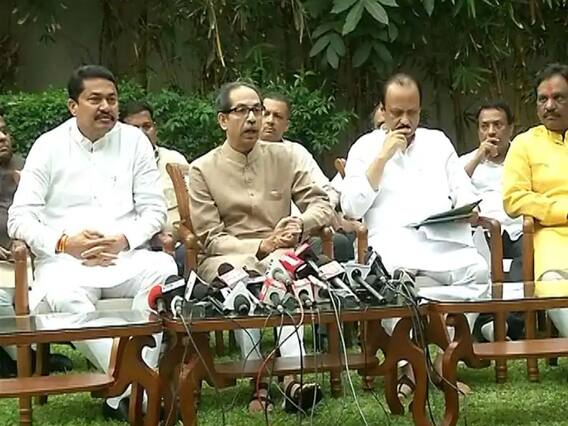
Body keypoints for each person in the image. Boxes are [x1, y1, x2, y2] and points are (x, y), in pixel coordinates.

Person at [8, 65, 177, 421]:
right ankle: (138, 390)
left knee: (164, 271)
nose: (106, 107)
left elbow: (154, 210)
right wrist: (64, 243)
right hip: (67, 262)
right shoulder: (48, 146)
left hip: (125, 257)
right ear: (73, 106)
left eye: (112, 100)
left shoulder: (135, 142)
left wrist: (123, 239)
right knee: (61, 297)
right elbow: (19, 218)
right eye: (95, 99)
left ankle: (126, 392)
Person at [188, 81, 333, 413]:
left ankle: (293, 378)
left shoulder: (285, 156)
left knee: (284, 272)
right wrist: (261, 246)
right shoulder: (202, 169)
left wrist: (300, 223)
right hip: (227, 257)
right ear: (223, 120)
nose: (253, 118)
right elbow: (210, 237)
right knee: (243, 279)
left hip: (281, 254)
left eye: (257, 110)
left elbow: (321, 204)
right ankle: (258, 381)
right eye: (242, 111)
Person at [341, 73, 489, 397]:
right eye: (397, 113)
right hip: (393, 245)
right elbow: (351, 206)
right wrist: (382, 157)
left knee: (479, 272)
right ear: (382, 110)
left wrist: (468, 208)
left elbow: (463, 188)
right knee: (394, 286)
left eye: (412, 112)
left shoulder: (438, 142)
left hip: (442, 241)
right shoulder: (365, 147)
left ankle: (442, 355)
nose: (405, 121)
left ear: (421, 110)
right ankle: (411, 365)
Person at [0, 109, 73, 377]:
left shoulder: (31, 167)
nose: (2, 137)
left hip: (42, 259)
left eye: (4, 130)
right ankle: (25, 357)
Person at [503, 63, 568, 335]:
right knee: (554, 283)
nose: (549, 106)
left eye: (558, 98)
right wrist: (561, 210)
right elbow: (513, 198)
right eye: (543, 99)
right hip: (550, 235)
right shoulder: (524, 144)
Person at [260, 92, 355, 262]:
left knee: (341, 243)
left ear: (287, 125)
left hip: (302, 232)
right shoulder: (245, 153)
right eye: (265, 114)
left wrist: (308, 221)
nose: (270, 120)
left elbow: (327, 192)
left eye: (277, 116)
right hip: (260, 236)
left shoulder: (296, 152)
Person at [460, 100, 523, 282]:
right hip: (482, 233)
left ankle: (517, 301)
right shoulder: (465, 162)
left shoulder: (524, 157)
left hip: (518, 231)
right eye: (484, 126)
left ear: (511, 128)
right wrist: (478, 158)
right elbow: (453, 188)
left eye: (497, 125)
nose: (491, 132)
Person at [120, 101, 189, 235]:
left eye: (147, 126)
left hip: (179, 240)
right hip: (133, 242)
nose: (142, 133)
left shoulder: (174, 159)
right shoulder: (113, 168)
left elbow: (195, 205)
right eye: (134, 128)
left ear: (155, 128)